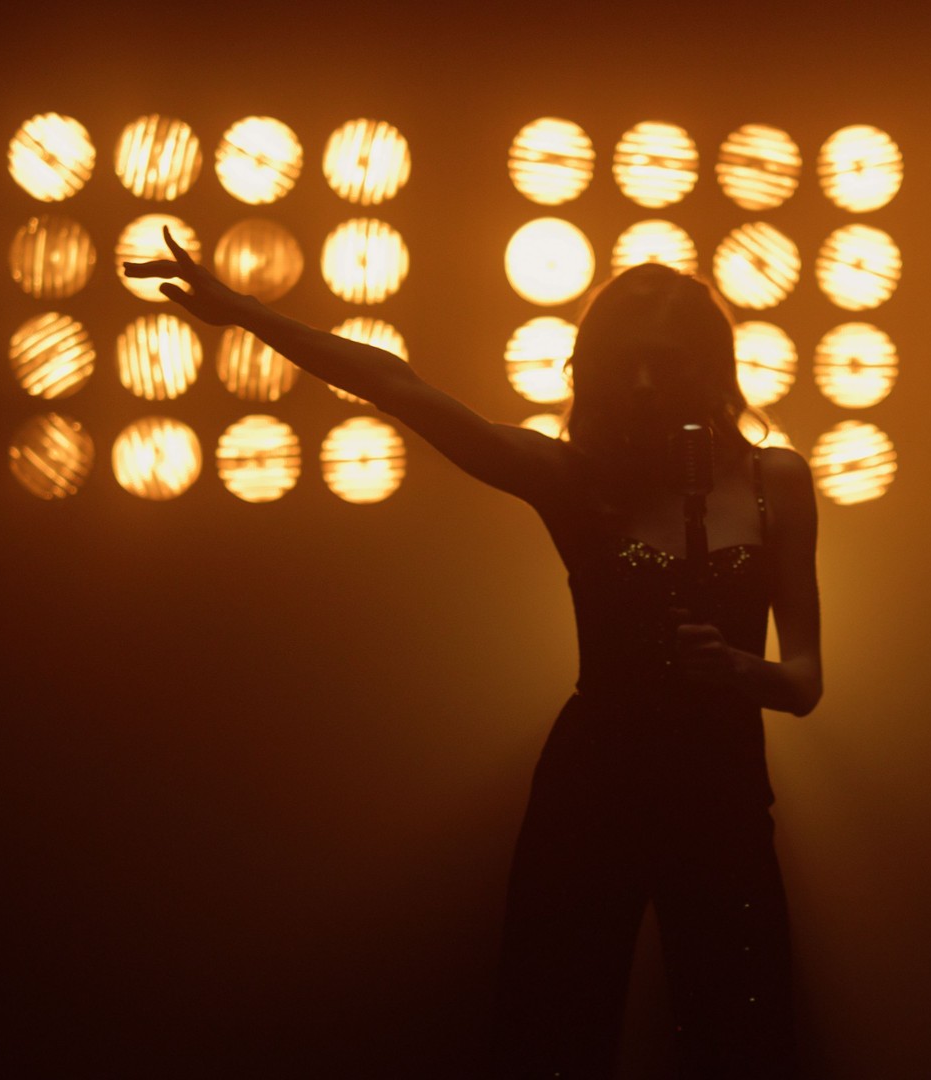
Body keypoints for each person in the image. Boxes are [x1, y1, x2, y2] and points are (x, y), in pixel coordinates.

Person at [126, 229, 823, 1078]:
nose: (643, 385)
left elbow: (804, 681)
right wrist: (244, 313)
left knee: (741, 1027)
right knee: (555, 1023)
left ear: (709, 368)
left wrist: (743, 673)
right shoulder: (573, 479)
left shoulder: (774, 480)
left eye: (666, 363)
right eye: (625, 363)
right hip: (593, 785)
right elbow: (401, 388)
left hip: (720, 788)